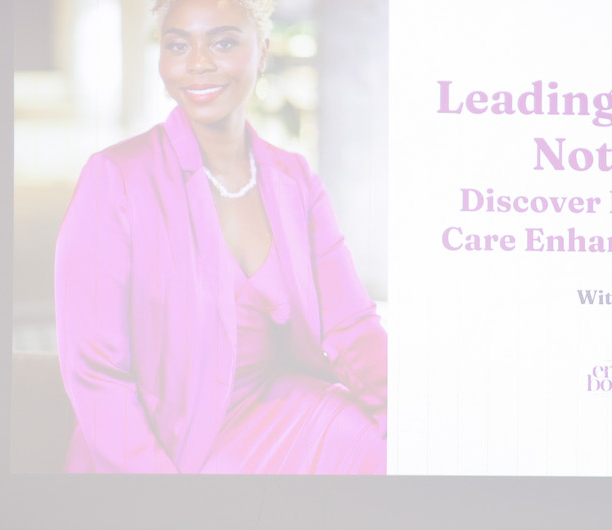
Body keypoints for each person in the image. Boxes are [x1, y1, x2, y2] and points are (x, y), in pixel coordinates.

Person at [54, 0, 386, 474]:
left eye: (224, 41)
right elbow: (95, 372)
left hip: (278, 417)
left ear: (263, 50)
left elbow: (351, 324)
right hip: (165, 445)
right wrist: (165, 499)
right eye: (178, 45)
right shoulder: (114, 179)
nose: (198, 62)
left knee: (382, 451)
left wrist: (411, 417)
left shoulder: (295, 181)